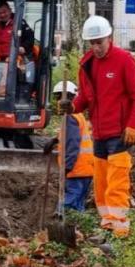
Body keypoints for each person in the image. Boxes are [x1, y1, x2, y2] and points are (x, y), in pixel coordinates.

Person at [59, 16, 135, 237]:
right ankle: (107, 224)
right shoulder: (87, 64)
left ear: (110, 38)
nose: (96, 47)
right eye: (93, 43)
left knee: (116, 182)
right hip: (99, 133)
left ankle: (119, 231)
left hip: (119, 133)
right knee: (101, 182)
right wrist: (71, 107)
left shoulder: (124, 60)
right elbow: (86, 98)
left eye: (100, 41)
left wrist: (133, 126)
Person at [48, 81, 94, 211]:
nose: (58, 101)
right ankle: (78, 229)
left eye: (60, 97)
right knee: (78, 205)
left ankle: (58, 225)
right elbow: (69, 136)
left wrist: (67, 167)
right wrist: (55, 140)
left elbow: (73, 144)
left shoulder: (70, 116)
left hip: (77, 170)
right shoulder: (77, 115)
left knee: (67, 206)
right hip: (85, 168)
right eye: (57, 97)